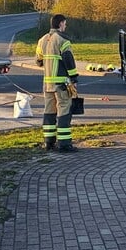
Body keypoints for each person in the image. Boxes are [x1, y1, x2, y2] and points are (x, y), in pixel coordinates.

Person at [35, 14, 80, 152]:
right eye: (65, 24)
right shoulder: (63, 40)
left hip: (47, 84)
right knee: (64, 112)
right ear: (60, 24)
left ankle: (49, 142)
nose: (65, 26)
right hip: (61, 84)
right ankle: (64, 144)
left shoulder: (42, 40)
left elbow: (38, 61)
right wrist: (74, 78)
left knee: (49, 112)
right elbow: (69, 61)